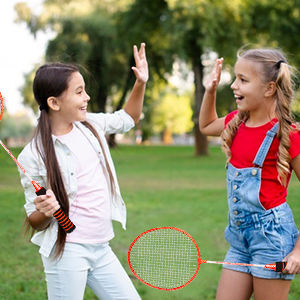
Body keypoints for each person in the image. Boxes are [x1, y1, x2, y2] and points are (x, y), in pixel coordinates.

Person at [18, 43, 148, 300]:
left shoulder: (92, 126)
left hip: (101, 247)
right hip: (67, 252)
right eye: (79, 92)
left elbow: (129, 118)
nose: (87, 97)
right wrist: (44, 210)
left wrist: (141, 82)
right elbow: (35, 221)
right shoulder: (33, 155)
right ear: (54, 102)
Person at [199, 47, 300, 300]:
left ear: (269, 89)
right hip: (239, 239)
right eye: (235, 78)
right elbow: (206, 126)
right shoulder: (237, 121)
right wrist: (210, 90)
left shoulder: (287, 134)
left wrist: (298, 251)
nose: (234, 85)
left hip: (273, 239)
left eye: (243, 80)